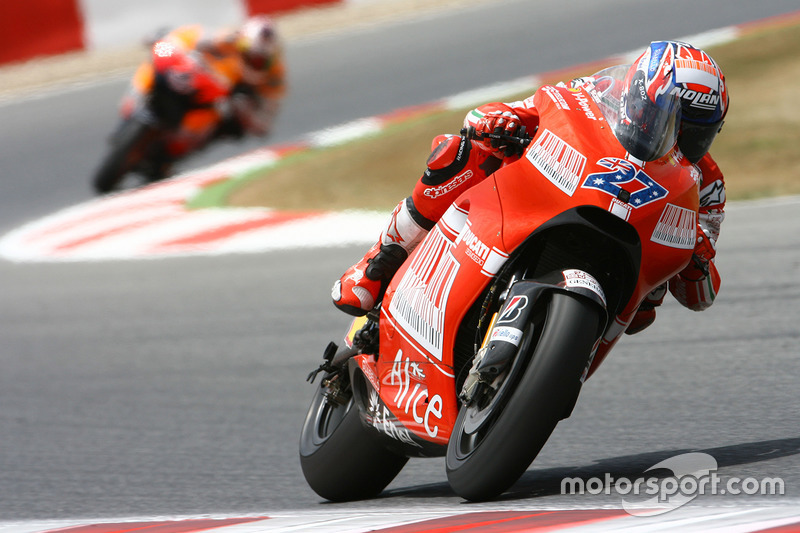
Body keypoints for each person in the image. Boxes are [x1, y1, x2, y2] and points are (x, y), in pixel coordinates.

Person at [331, 40, 729, 335]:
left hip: (625, 266)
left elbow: (702, 298)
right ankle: (379, 261)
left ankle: (555, 357)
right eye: (672, 122)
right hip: (553, 197)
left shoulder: (706, 184)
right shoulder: (595, 94)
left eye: (696, 134)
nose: (679, 140)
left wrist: (700, 262)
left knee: (647, 309)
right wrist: (501, 122)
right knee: (461, 153)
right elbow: (501, 113)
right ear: (640, 99)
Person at [123, 15, 286, 177]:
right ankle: (138, 93)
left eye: (260, 60)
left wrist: (247, 114)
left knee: (229, 128)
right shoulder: (227, 39)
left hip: (217, 100)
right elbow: (192, 36)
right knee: (161, 48)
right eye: (251, 55)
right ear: (242, 44)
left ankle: (170, 157)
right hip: (191, 75)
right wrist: (165, 43)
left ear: (272, 58)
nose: (254, 61)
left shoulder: (274, 76)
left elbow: (267, 116)